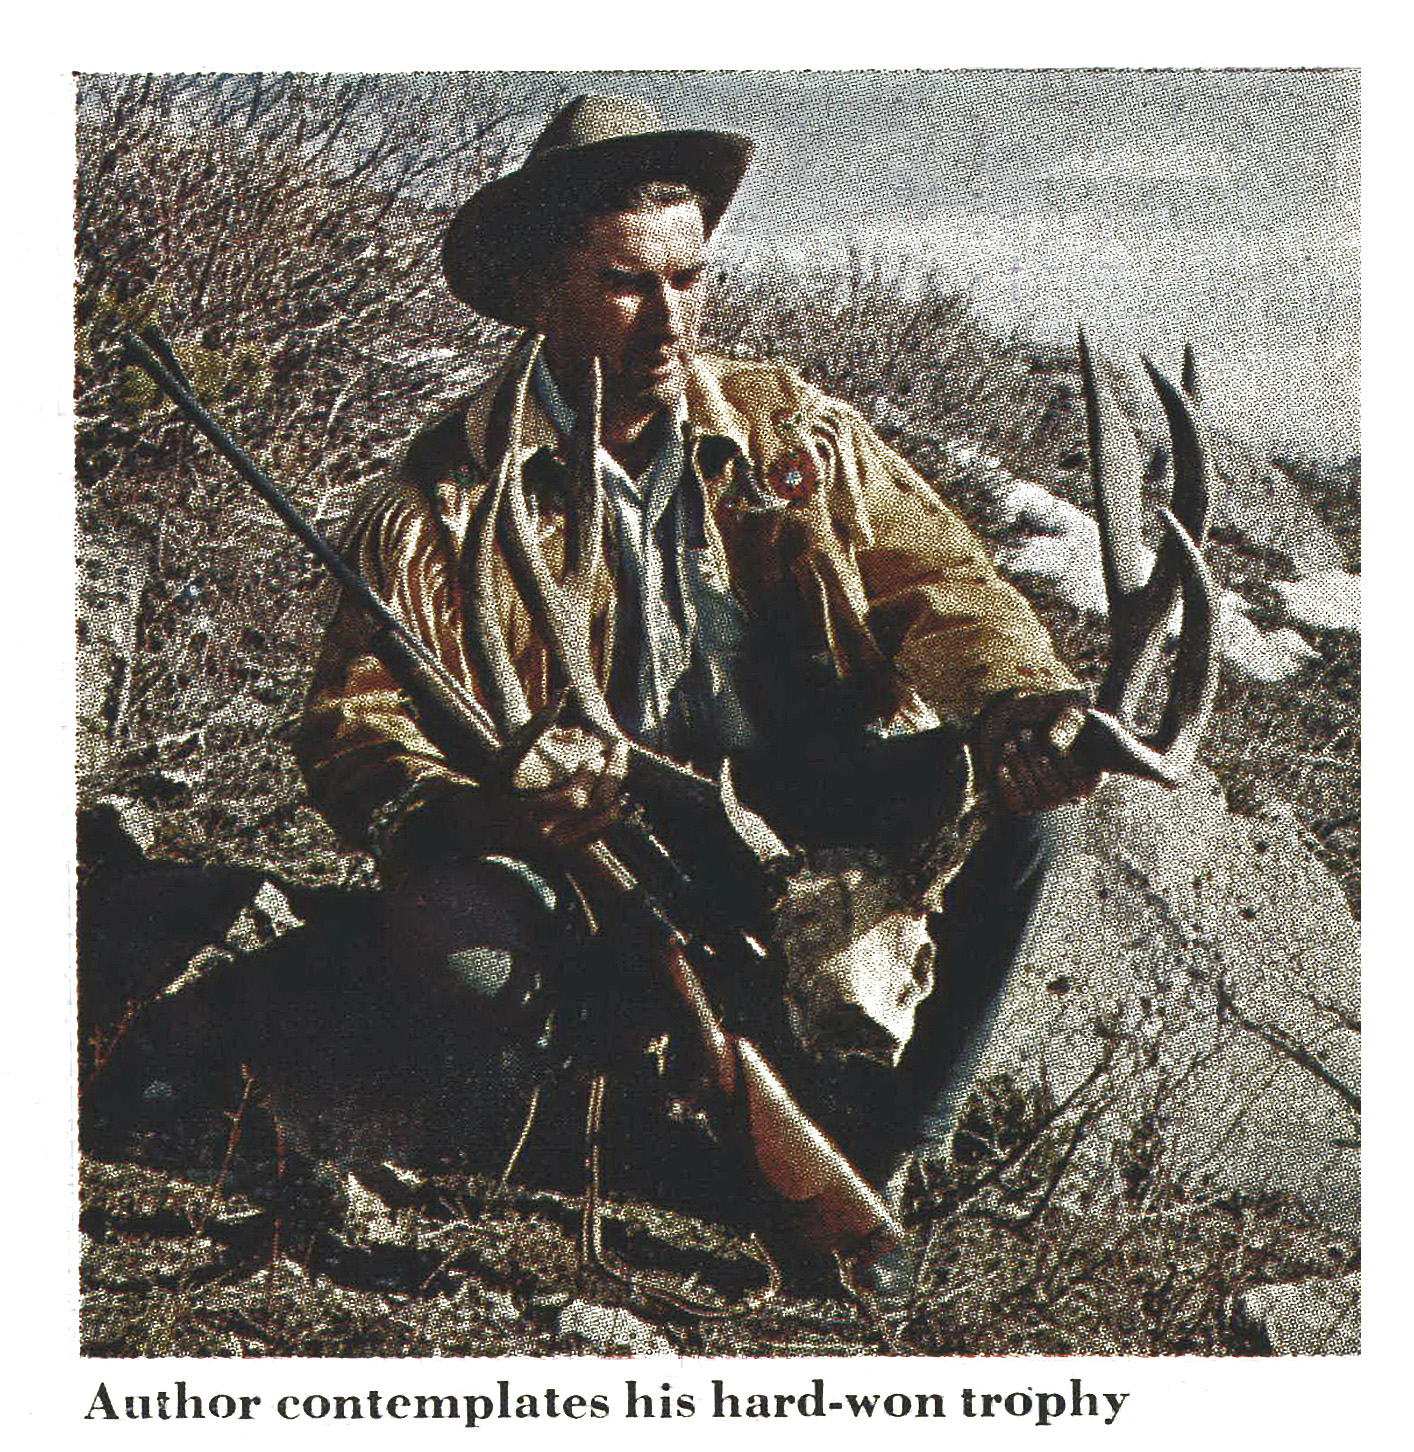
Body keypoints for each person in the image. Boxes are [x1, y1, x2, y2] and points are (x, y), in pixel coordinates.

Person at [294, 95, 1100, 1224]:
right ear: (539, 291)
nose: (667, 321)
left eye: (688, 279)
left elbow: (944, 586)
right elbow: (356, 726)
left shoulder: (790, 431)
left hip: (787, 793)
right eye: (627, 284)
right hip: (587, 837)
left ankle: (900, 1149)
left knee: (1028, 815)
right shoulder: (440, 498)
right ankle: (613, 1129)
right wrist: (489, 815)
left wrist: (1015, 699)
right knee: (470, 962)